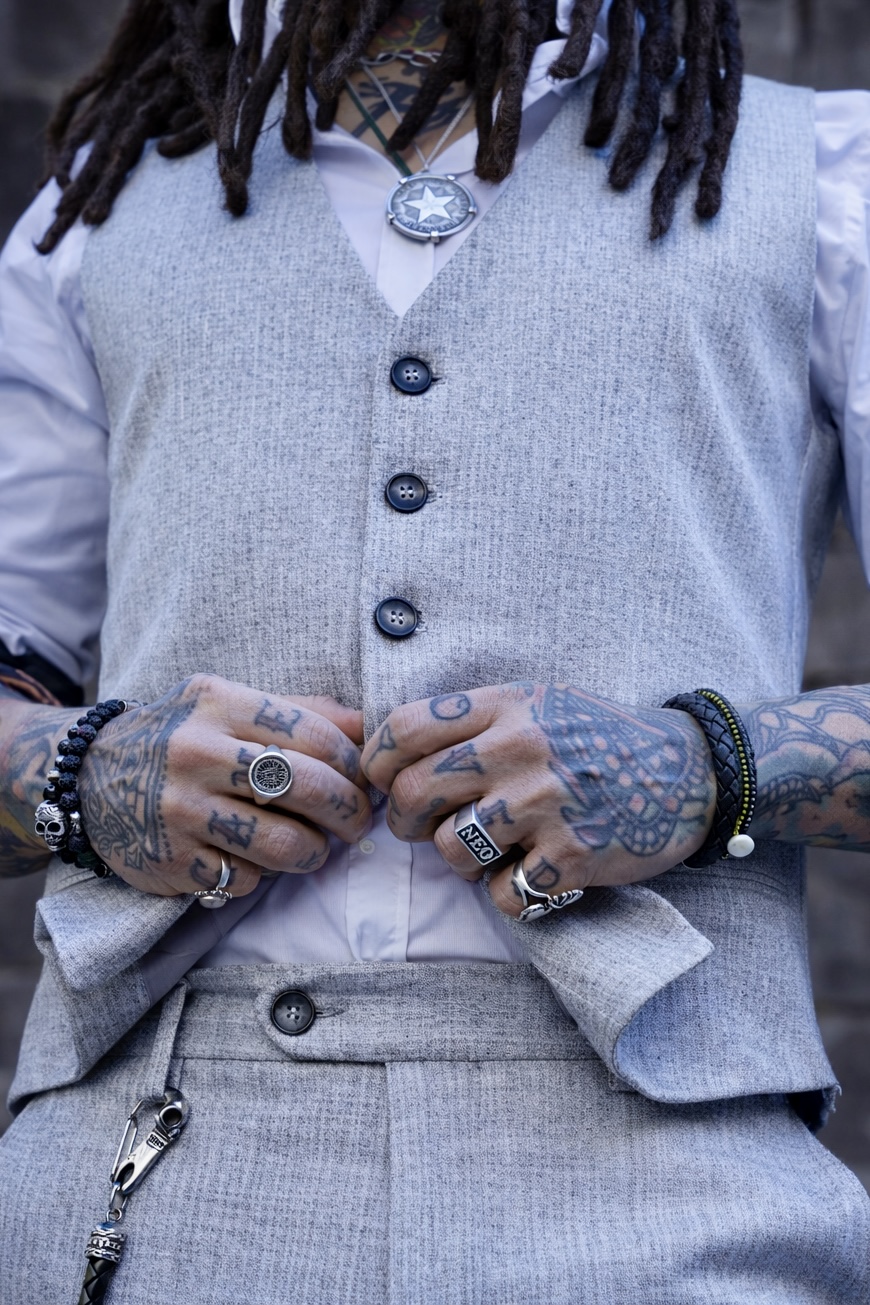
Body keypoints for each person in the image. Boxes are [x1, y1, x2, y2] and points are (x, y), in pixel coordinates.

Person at [0, 0, 869, 1299]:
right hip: (148, 1176)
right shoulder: (100, 205)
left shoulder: (822, 182)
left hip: (671, 1184)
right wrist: (80, 773)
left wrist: (707, 770)